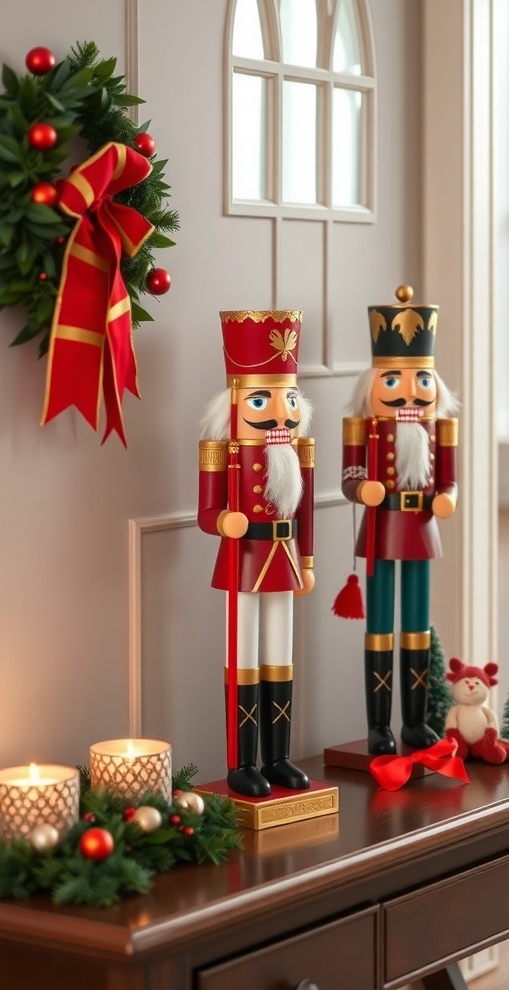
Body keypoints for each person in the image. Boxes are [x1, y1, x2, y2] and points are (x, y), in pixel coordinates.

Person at [198, 310, 314, 797]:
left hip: (283, 560)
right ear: (235, 403)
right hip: (244, 563)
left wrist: (306, 562)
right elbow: (207, 512)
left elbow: (305, 513)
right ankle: (242, 762)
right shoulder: (219, 449)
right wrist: (224, 521)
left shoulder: (298, 448)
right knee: (244, 657)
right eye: (263, 398)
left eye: (288, 398)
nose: (280, 411)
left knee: (280, 657)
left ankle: (279, 755)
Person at [338, 285, 459, 755]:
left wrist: (447, 496)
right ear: (372, 385)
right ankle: (378, 726)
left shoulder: (440, 429)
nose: (409, 392)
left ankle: (413, 722)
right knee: (380, 626)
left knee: (417, 625)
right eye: (393, 380)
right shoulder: (362, 427)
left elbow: (449, 480)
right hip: (382, 529)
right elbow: (350, 476)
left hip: (422, 530)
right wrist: (360, 488)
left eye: (420, 381)